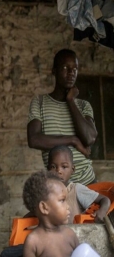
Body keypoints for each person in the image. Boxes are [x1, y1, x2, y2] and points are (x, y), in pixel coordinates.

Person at [27, 49, 98, 185]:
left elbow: (89, 138)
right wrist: (72, 140)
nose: (71, 72)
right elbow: (34, 139)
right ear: (54, 71)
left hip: (88, 183)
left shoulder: (83, 105)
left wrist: (70, 101)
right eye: (65, 67)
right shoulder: (40, 102)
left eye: (75, 69)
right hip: (59, 186)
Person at [47, 145, 110, 223]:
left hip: (78, 233)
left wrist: (102, 211)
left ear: (72, 169)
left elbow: (105, 199)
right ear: (48, 170)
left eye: (64, 167)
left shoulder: (76, 189)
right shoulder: (47, 193)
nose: (59, 171)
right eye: (53, 167)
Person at [22, 170, 79, 256]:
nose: (68, 206)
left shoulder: (70, 235)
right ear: (44, 207)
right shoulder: (33, 241)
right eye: (62, 200)